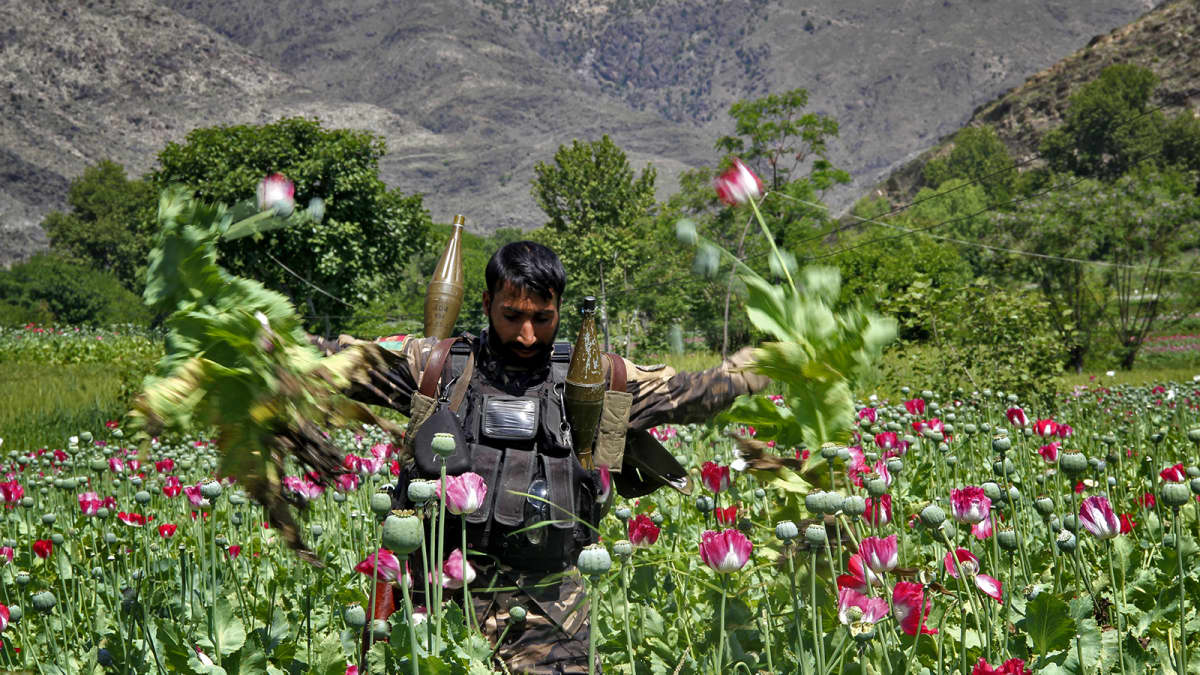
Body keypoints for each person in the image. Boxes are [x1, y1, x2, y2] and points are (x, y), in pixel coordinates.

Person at [320, 241, 767, 674]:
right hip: (437, 600)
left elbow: (691, 393)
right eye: (512, 316)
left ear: (560, 310)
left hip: (550, 609)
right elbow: (344, 368)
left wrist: (760, 368)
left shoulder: (595, 381)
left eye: (542, 318)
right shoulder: (437, 368)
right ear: (487, 303)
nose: (527, 335)